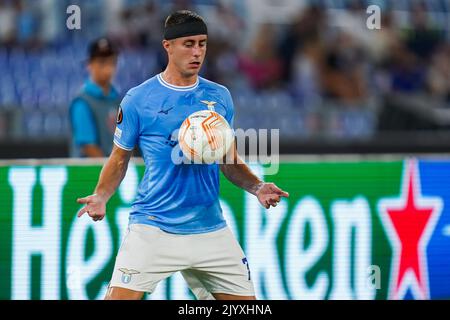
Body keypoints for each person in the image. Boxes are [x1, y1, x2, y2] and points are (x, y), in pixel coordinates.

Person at [76, 10, 289, 300]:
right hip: (154, 227)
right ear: (168, 46)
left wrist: (257, 186)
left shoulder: (221, 97)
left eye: (202, 43)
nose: (197, 51)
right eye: (188, 43)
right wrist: (101, 195)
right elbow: (119, 157)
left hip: (210, 229)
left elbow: (229, 160)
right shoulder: (139, 100)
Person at [69, 37, 121, 157]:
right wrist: (113, 172)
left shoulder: (117, 100)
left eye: (112, 61)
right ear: (90, 65)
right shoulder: (82, 101)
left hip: (114, 170)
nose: (108, 67)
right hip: (90, 173)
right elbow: (88, 146)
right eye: (102, 62)